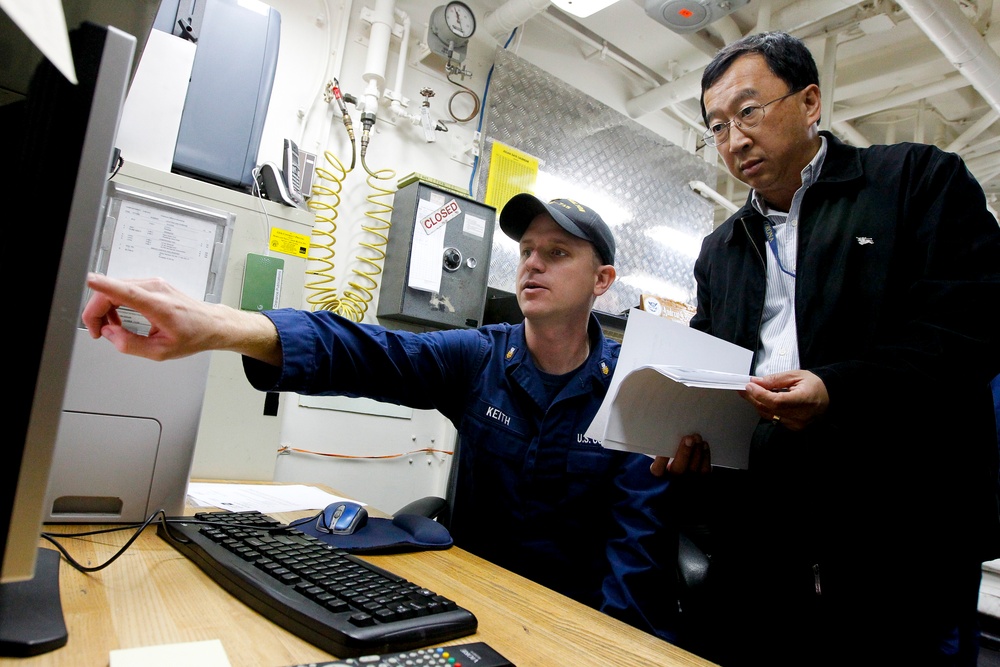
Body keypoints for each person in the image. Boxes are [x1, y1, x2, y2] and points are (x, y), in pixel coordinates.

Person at [82, 193, 706, 644]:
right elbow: (368, 351)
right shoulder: (479, 356)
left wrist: (600, 648)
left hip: (573, 622)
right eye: (528, 251)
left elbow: (635, 554)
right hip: (468, 605)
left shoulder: (634, 389)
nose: (532, 264)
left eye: (558, 253)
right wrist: (219, 326)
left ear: (602, 280)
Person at [651, 30, 1000, 665]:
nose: (734, 140)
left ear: (810, 102)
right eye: (718, 126)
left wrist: (839, 388)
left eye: (748, 112)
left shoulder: (918, 182)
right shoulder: (722, 249)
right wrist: (687, 434)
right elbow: (713, 366)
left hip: (898, 531)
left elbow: (974, 326)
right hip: (763, 528)